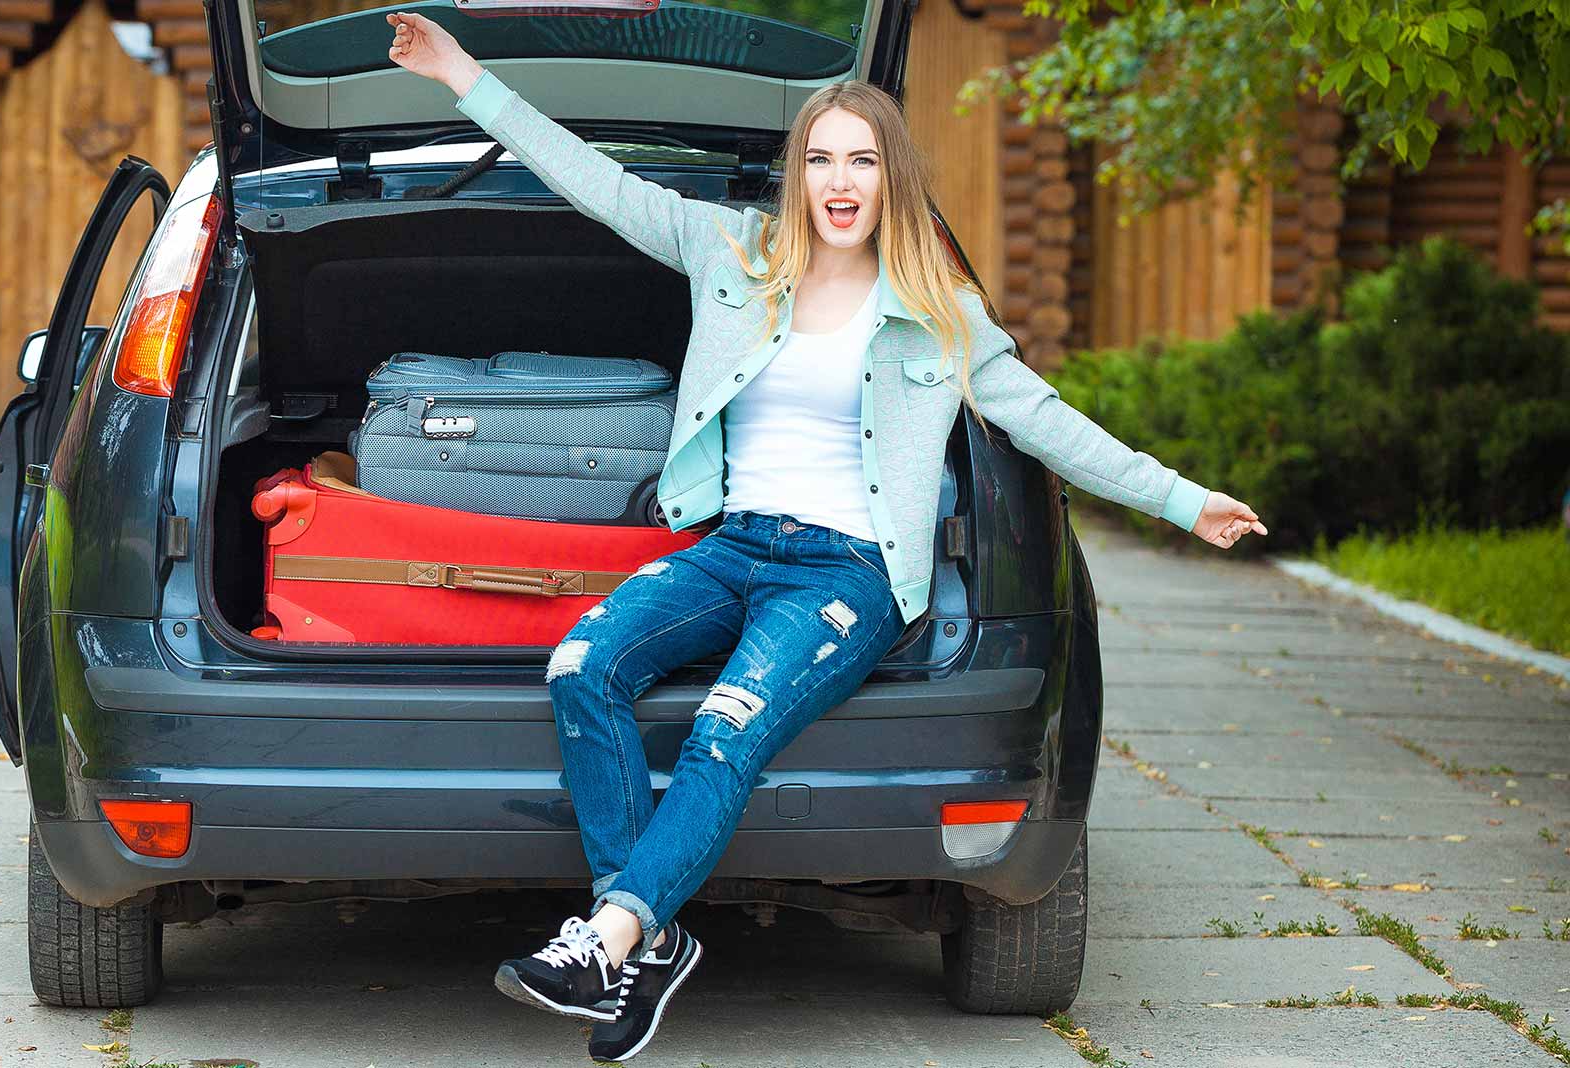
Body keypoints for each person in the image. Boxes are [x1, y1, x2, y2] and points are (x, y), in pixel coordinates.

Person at [387, 11, 1269, 1061]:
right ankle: (649, 944)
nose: (840, 180)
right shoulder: (732, 252)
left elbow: (1049, 422)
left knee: (726, 727)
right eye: (820, 159)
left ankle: (607, 937)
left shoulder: (939, 312)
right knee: (583, 666)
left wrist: (1182, 499)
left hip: (848, 576)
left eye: (861, 160)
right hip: (734, 548)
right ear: (796, 174)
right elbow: (594, 178)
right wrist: (460, 76)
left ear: (890, 176)